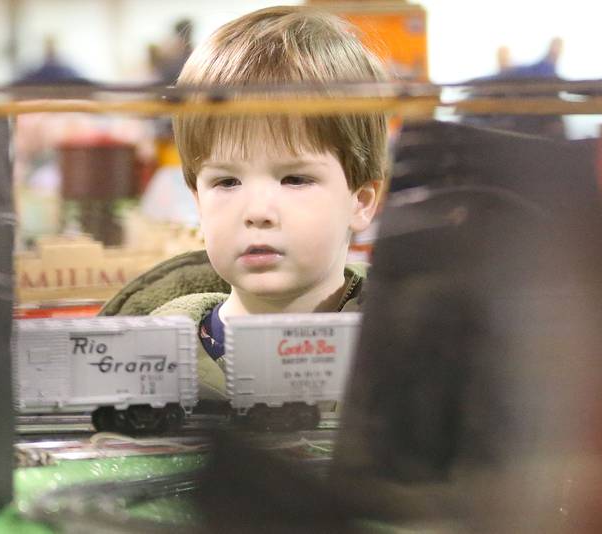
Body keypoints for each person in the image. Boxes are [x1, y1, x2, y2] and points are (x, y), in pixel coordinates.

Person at [103, 6, 388, 400]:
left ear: (360, 200)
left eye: (295, 179)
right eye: (227, 181)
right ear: (197, 201)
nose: (257, 212)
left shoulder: (411, 356)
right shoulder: (139, 365)